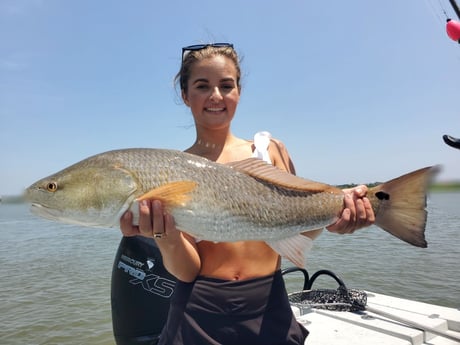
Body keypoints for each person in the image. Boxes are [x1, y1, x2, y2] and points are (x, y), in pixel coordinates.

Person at [120, 43, 375, 345]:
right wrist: (165, 236)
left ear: (239, 91)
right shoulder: (173, 169)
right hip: (197, 314)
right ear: (185, 95)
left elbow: (300, 228)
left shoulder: (269, 151)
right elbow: (187, 271)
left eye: (226, 85)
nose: (216, 95)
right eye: (203, 86)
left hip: (270, 309)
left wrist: (339, 216)